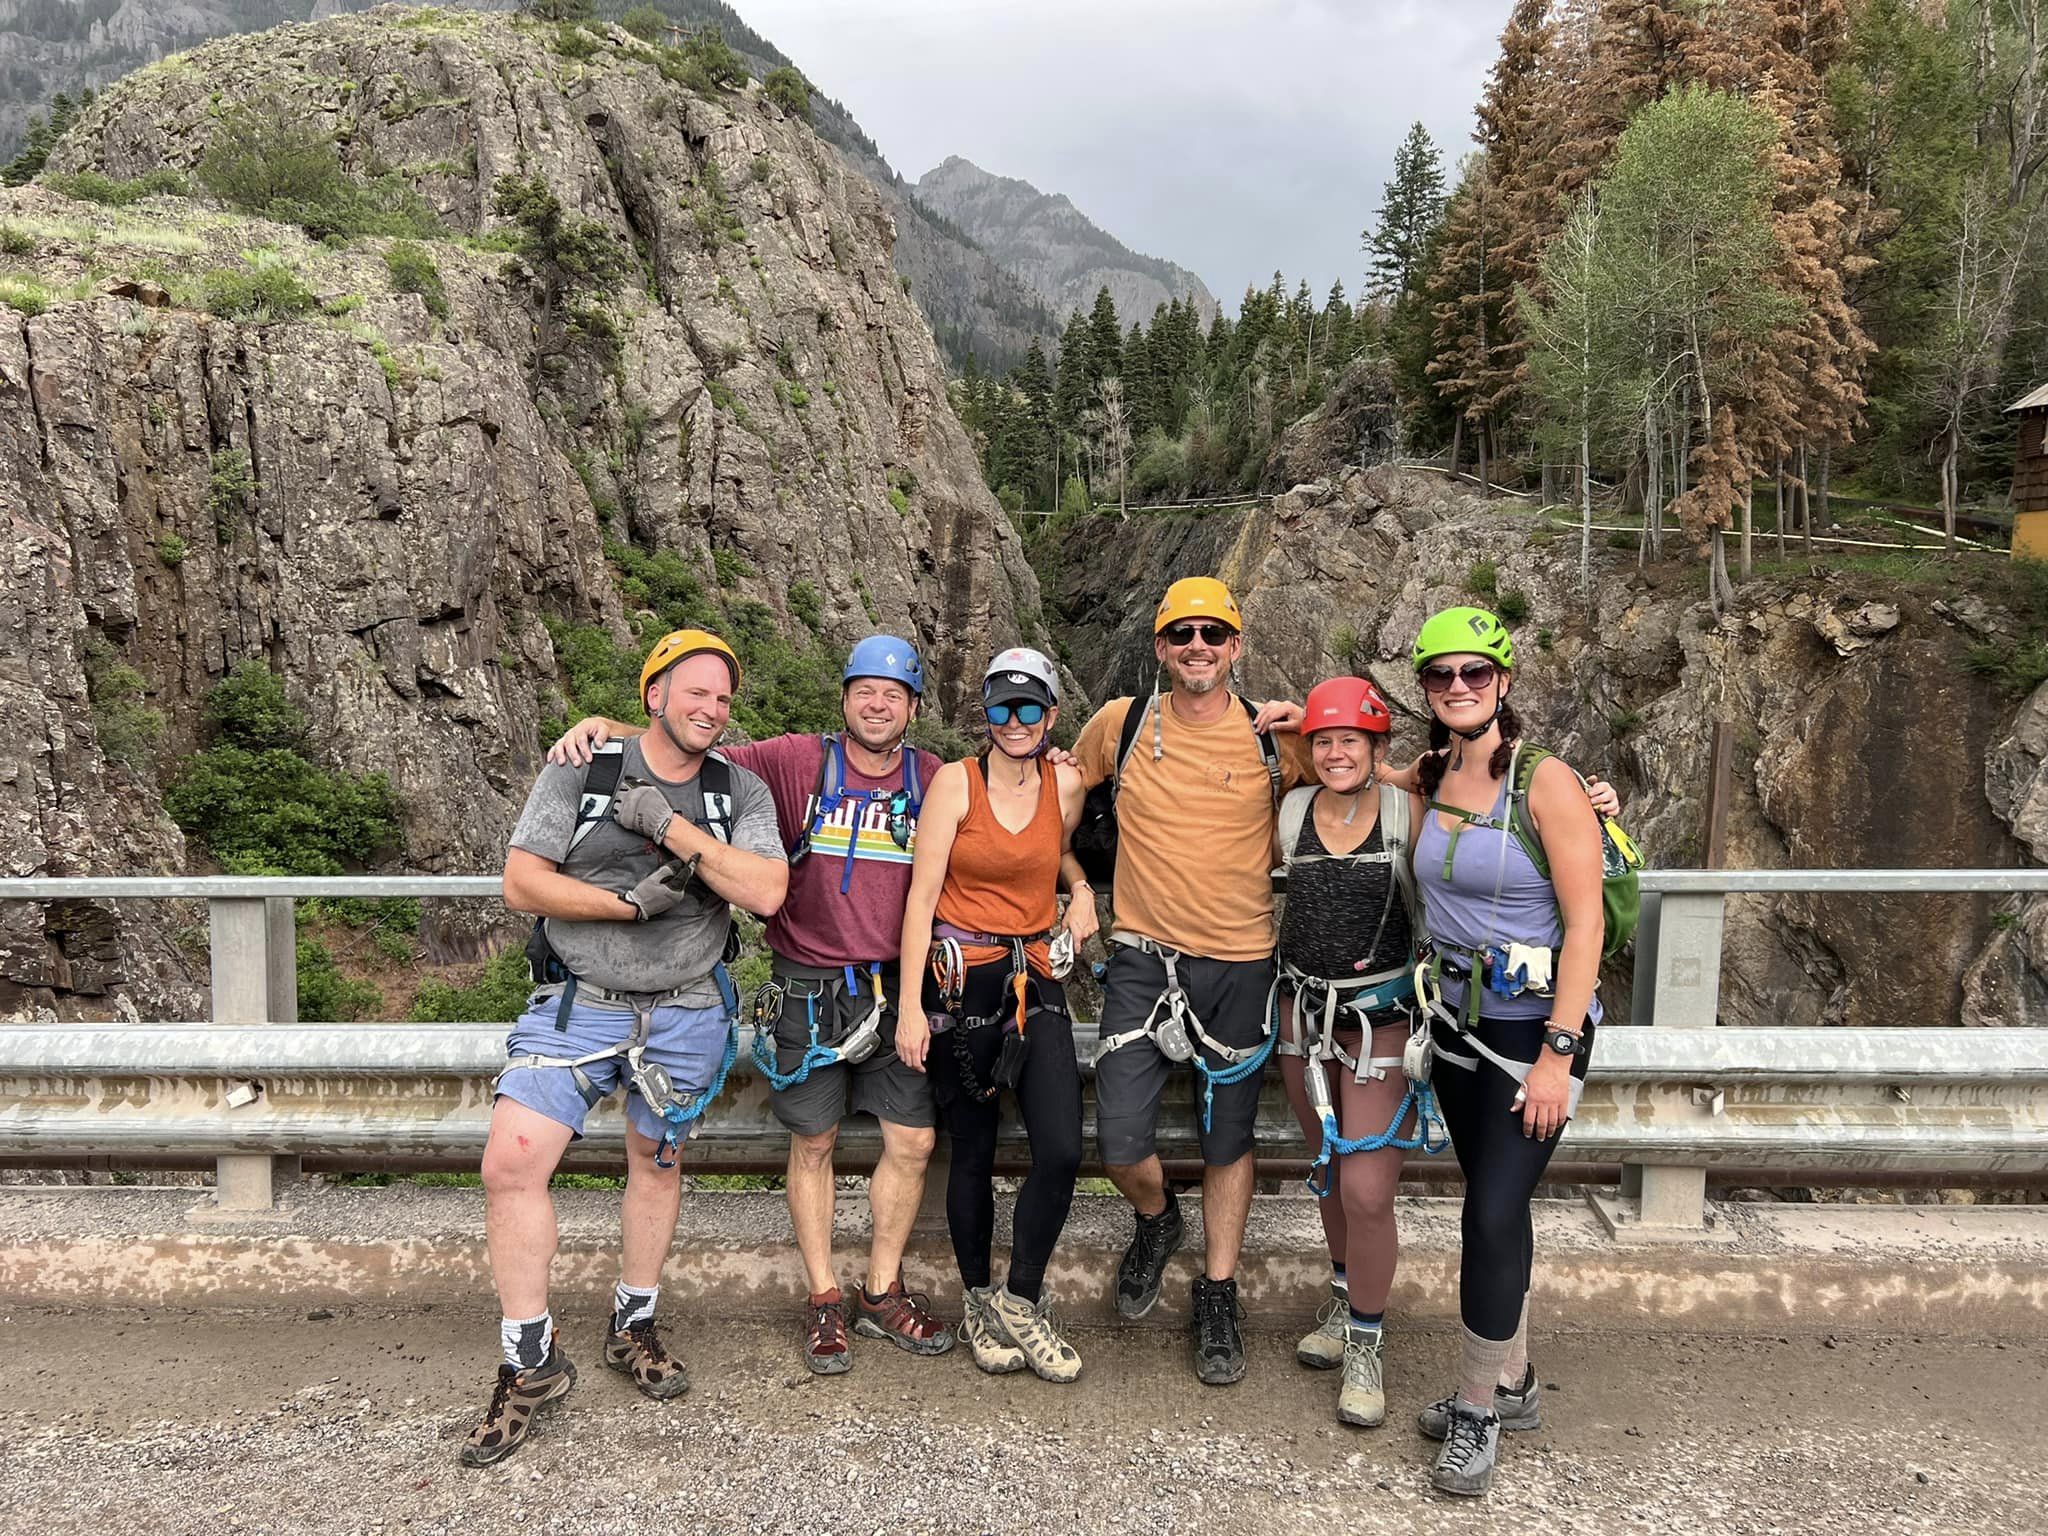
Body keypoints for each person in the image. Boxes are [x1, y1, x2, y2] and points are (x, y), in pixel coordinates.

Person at [546, 636, 956, 1376]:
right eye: (865, 689)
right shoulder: (798, 761)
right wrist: (608, 730)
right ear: (844, 698)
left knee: (913, 1141)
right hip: (807, 985)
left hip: (897, 986)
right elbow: (687, 745)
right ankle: (824, 1295)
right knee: (815, 1143)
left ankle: (881, 1290)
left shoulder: (934, 778)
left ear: (915, 708)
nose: (877, 704)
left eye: (893, 695)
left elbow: (1003, 791)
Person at [465, 629, 789, 1468]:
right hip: (581, 1002)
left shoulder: (737, 790)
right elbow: (522, 881)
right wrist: (627, 908)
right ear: (655, 695)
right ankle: (529, 1358)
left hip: (686, 1009)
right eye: (695, 693)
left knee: (657, 1163)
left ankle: (632, 1321)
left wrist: (675, 832)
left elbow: (764, 892)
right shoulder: (583, 767)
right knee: (511, 1161)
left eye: (723, 698)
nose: (711, 709)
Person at [1072, 577, 1312, 1387]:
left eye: (1214, 634)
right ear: (1160, 648)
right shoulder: (1123, 723)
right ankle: (1156, 1218)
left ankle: (1218, 1289)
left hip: (1242, 962)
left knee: (1228, 1140)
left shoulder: (1275, 737)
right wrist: (1075, 887)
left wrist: (1581, 801)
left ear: (1236, 646)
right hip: (1142, 957)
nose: (1199, 647)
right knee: (1119, 1140)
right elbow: (1051, 799)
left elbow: (1377, 780)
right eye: (1183, 635)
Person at [1404, 606, 1604, 1498]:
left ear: (1504, 685)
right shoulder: (1429, 773)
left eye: (1473, 675)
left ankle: (1479, 1408)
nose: (1457, 689)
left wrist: (1560, 1052)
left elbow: (1589, 920)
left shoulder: (1547, 782)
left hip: (1531, 1034)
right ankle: (1513, 1382)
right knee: (1496, 1207)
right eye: (1441, 677)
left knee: (1487, 1216)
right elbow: (1340, 764)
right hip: (1454, 1025)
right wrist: (1289, 721)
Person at [896, 647, 1097, 1381]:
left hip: (1035, 977)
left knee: (1063, 1149)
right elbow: (922, 897)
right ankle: (978, 1297)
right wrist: (912, 1009)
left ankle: (1021, 1298)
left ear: (1051, 714)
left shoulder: (1066, 782)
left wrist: (1082, 889)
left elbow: (1061, 850)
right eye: (1001, 708)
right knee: (972, 1152)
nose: (1015, 721)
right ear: (985, 714)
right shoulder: (956, 784)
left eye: (1029, 707)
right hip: (960, 985)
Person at [1271, 675, 1427, 1431]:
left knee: (1367, 1189)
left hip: (1381, 1022)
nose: (1335, 753)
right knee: (1329, 1173)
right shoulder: (1292, 809)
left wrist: (1594, 807)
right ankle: (1344, 1298)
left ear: (1376, 748)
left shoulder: (1407, 811)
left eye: (1350, 742)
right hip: (1302, 1017)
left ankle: (1367, 1339)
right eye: (1323, 741)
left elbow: (1483, 824)